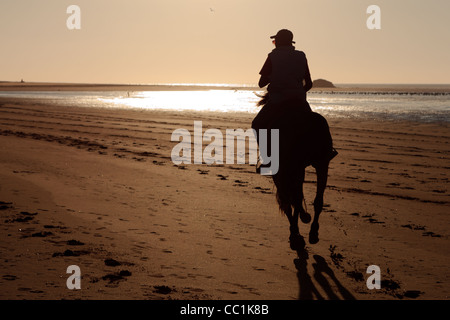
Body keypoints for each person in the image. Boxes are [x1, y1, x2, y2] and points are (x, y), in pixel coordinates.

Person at [252, 29, 313, 134]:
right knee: (315, 127)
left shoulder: (272, 56)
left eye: (274, 42)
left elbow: (261, 83)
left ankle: (267, 150)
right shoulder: (301, 56)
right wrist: (297, 91)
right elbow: (309, 84)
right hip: (300, 101)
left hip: (277, 101)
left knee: (257, 125)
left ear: (278, 42)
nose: (274, 44)